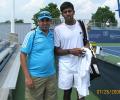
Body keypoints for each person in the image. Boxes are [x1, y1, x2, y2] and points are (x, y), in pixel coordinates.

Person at [54, 2, 90, 100]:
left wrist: (85, 49)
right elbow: (56, 51)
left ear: (74, 12)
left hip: (80, 64)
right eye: (65, 12)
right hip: (66, 66)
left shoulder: (82, 25)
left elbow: (87, 43)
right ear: (62, 14)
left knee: (81, 93)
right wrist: (71, 51)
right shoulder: (58, 29)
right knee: (67, 93)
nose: (68, 13)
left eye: (69, 11)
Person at [20, 11, 57, 100]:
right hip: (35, 77)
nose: (45, 23)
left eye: (47, 20)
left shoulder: (52, 35)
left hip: (51, 76)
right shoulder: (31, 35)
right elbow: (22, 55)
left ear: (50, 21)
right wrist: (27, 77)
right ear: (38, 22)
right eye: (42, 20)